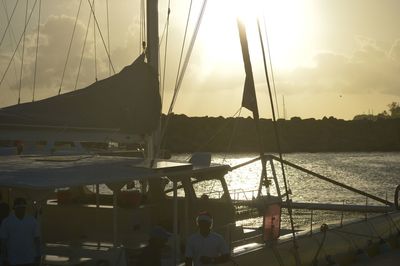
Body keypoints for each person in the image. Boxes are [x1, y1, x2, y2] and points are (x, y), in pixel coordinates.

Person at [0, 198, 41, 266]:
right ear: (14, 208)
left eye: (23, 207)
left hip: (29, 258)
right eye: (19, 207)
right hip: (13, 259)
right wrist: (4, 258)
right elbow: (3, 242)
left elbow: (37, 240)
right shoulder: (6, 222)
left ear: (25, 208)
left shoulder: (32, 221)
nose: (21, 209)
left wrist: (38, 255)